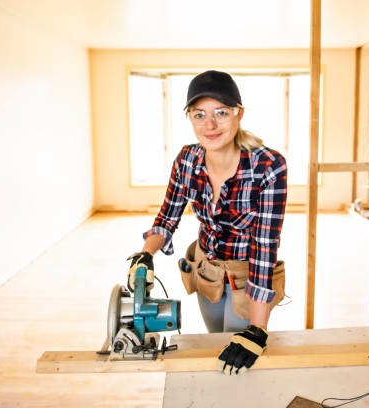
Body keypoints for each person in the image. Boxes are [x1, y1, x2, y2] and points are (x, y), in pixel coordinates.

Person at [127, 70, 287, 375]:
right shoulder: (187, 160)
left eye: (221, 113)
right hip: (207, 271)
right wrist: (145, 253)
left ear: (239, 114)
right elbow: (167, 217)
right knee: (218, 347)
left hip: (247, 274)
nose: (210, 125)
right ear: (189, 117)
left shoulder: (268, 165)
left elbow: (264, 247)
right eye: (199, 114)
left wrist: (257, 329)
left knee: (243, 352)